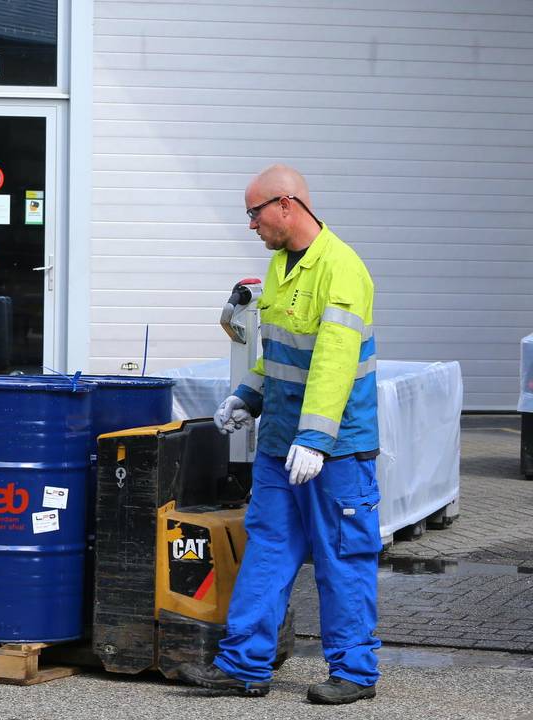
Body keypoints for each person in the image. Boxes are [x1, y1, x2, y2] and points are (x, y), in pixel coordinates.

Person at [177, 165, 381, 705]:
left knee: (342, 556)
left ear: (286, 205)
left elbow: (334, 365)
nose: (250, 225)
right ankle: (243, 664)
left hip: (334, 450)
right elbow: (281, 357)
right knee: (267, 549)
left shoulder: (342, 270)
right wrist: (248, 397)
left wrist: (314, 439)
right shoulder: (279, 267)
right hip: (280, 446)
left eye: (254, 212)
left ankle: (355, 674)